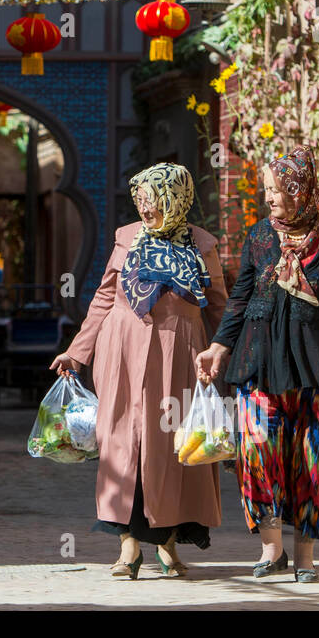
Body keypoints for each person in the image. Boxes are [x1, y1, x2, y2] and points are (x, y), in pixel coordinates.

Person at [195, 146, 319, 583]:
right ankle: (271, 549)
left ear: (300, 190)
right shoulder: (259, 238)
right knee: (257, 454)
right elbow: (240, 299)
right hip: (258, 366)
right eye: (267, 190)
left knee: (314, 462)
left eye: (278, 190)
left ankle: (305, 556)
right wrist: (218, 348)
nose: (270, 199)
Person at [51, 163, 228, 579]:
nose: (145, 209)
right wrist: (77, 353)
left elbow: (219, 304)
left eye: (153, 200)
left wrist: (229, 355)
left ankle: (166, 544)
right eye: (141, 201)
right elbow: (104, 298)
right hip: (123, 355)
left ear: (175, 198)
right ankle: (128, 547)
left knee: (172, 447)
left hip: (180, 356)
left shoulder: (202, 244)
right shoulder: (127, 238)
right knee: (123, 445)